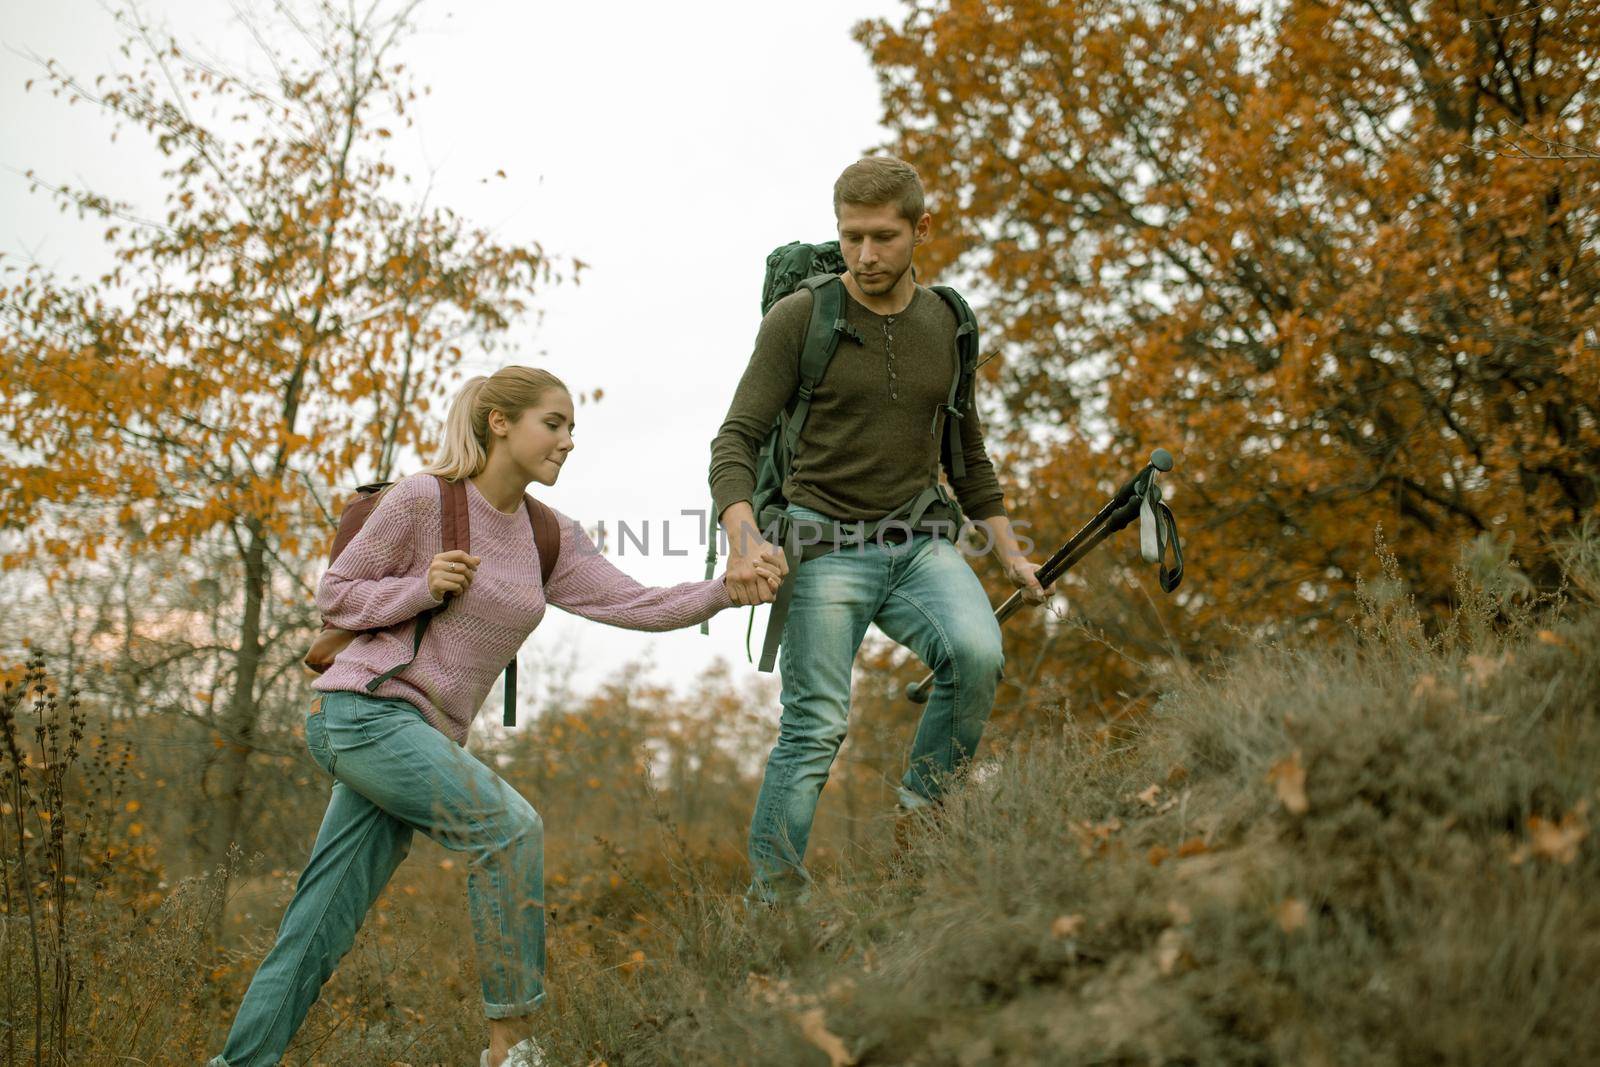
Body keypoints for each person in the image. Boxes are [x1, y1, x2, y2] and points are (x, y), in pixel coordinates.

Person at [209, 366, 774, 1067]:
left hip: (417, 733)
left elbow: (637, 603)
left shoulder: (549, 535)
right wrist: (421, 587)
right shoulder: (424, 499)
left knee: (319, 923)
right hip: (360, 713)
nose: (568, 440)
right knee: (508, 829)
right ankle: (512, 1046)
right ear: (500, 422)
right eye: (554, 422)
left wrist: (725, 588)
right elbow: (336, 594)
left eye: (573, 428)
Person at [709, 156, 1046, 904]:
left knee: (977, 653)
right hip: (821, 544)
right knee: (817, 728)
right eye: (852, 236)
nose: (866, 255)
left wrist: (1013, 553)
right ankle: (776, 904)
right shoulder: (802, 318)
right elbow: (734, 440)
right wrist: (742, 535)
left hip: (919, 543)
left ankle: (923, 832)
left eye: (884, 237)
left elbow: (969, 454)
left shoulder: (949, 323)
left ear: (920, 229)